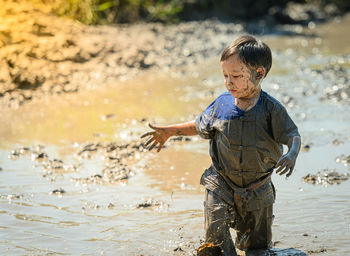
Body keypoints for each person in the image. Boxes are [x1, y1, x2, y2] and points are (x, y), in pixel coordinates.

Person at [141, 35, 301, 256]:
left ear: (259, 74)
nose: (228, 82)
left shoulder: (271, 109)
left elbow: (293, 134)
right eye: (225, 75)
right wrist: (170, 131)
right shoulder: (221, 105)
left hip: (258, 188)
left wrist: (292, 154)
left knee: (257, 249)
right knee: (215, 238)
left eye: (236, 76)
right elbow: (199, 126)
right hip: (221, 181)